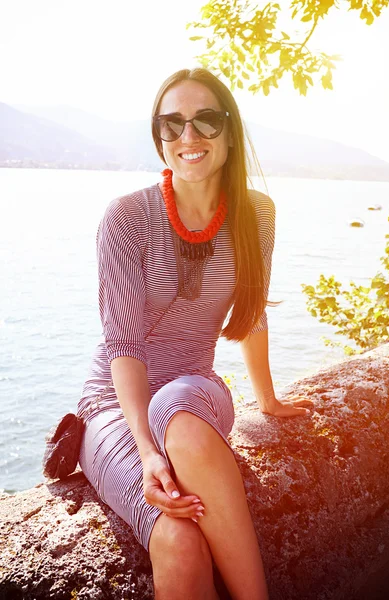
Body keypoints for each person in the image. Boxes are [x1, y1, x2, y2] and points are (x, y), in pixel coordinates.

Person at [77, 67, 314, 600]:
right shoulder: (126, 218)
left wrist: (269, 401)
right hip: (116, 406)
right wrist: (147, 453)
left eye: (206, 120)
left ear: (230, 131)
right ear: (159, 137)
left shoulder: (257, 216)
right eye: (172, 125)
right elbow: (124, 348)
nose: (189, 137)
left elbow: (251, 313)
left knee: (181, 407)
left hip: (194, 394)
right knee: (181, 541)